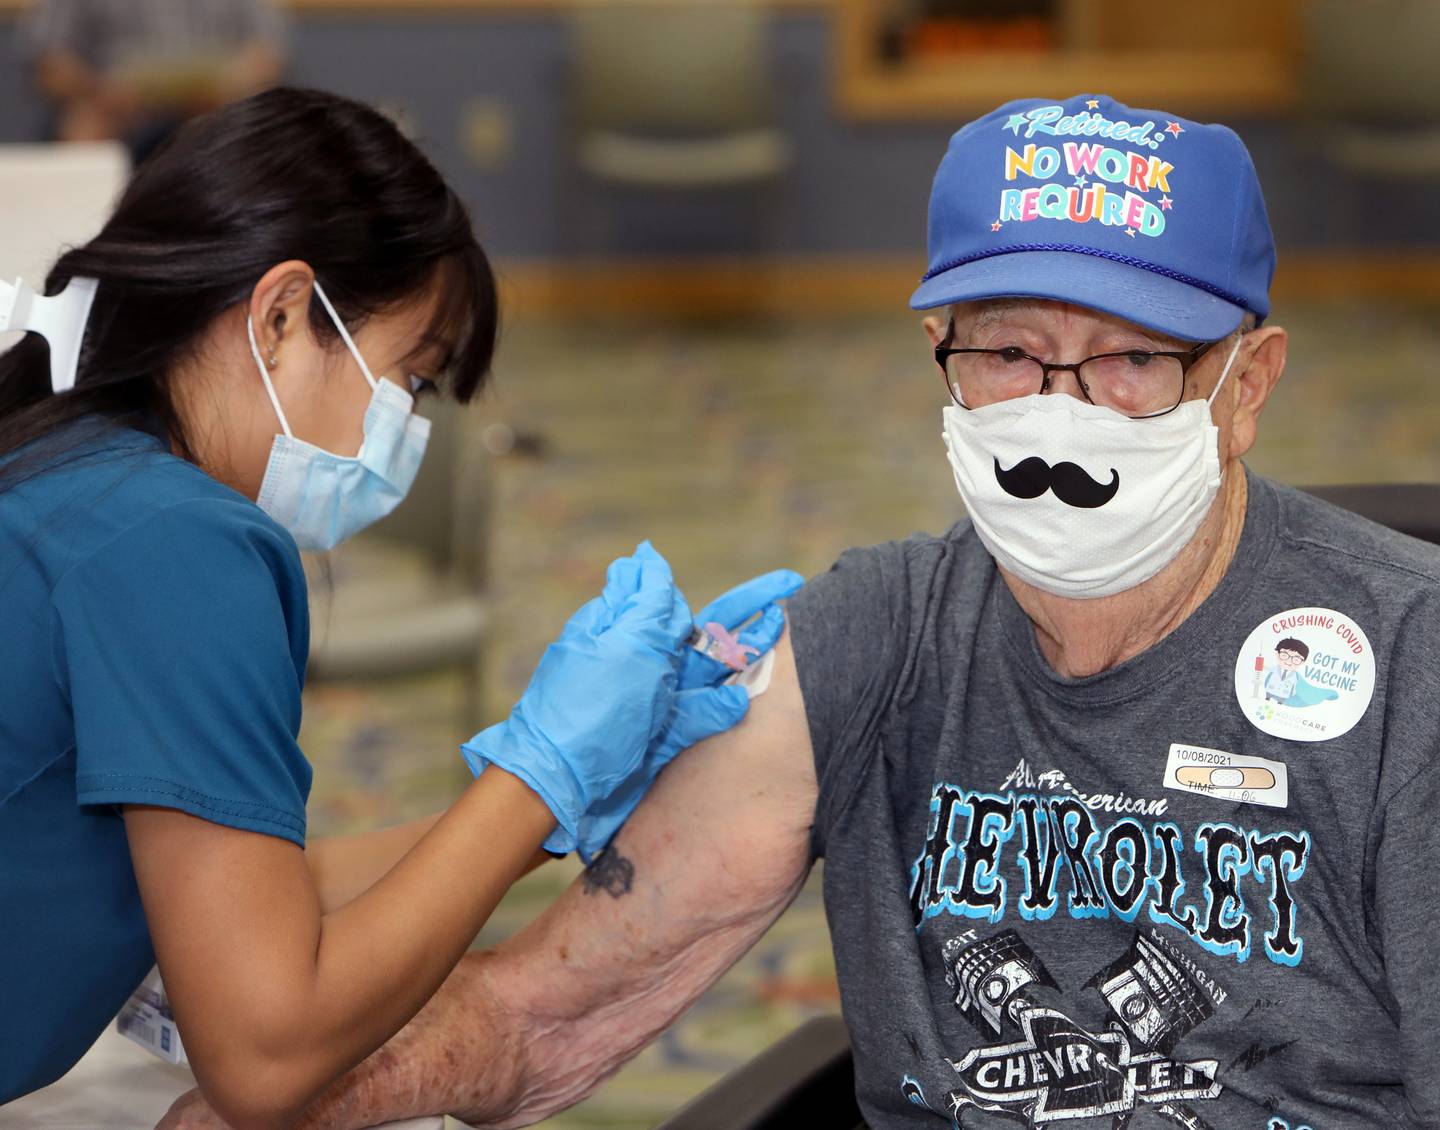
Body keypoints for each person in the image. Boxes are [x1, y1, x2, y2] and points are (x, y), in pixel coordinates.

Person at [161, 94, 1440, 1129]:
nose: (1065, 411)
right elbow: (534, 1014)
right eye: (1006, 351)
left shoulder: (1409, 661)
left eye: (1134, 359)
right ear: (942, 351)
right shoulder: (874, 637)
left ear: (1246, 381)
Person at [0, 86, 800, 1126]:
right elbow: (265, 1052)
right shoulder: (179, 540)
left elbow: (255, 896)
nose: (404, 434)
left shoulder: (70, 466)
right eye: (409, 380)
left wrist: (576, 796)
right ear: (283, 314)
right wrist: (537, 778)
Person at [25, 0, 287, 164]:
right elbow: (51, 62)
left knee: (247, 120)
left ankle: (235, 234)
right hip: (111, 108)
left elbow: (267, 55)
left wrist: (227, 85)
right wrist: (100, 92)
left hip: (212, 105)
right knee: (84, 125)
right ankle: (87, 235)